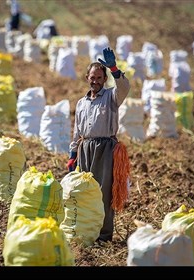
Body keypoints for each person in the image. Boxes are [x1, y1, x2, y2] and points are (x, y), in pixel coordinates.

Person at [67, 47, 131, 242]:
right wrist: (72, 154)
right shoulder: (81, 103)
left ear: (104, 80)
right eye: (92, 78)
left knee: (103, 191)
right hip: (85, 149)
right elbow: (77, 130)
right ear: (87, 78)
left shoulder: (112, 97)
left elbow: (125, 87)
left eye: (99, 78)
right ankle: (87, 231)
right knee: (85, 189)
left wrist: (113, 68)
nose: (95, 81)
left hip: (105, 149)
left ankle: (103, 235)